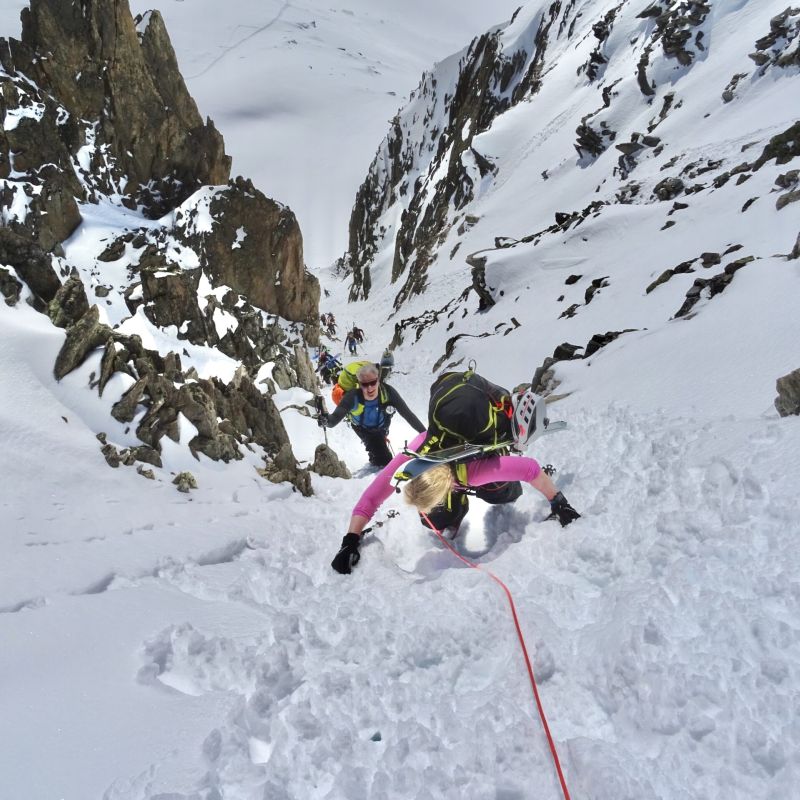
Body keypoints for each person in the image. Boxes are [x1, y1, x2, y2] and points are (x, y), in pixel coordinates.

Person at [330, 384, 580, 574]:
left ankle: (511, 404)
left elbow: (530, 469)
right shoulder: (418, 451)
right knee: (434, 521)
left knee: (504, 492)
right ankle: (455, 512)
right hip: (454, 467)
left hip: (479, 459)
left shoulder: (478, 472)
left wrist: (558, 501)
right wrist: (350, 539)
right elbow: (372, 496)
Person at [318, 362, 425, 467]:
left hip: (382, 427)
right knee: (385, 461)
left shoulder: (388, 392)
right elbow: (334, 419)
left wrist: (426, 434)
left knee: (379, 447)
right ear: (359, 384)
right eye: (365, 384)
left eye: (373, 383)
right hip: (363, 429)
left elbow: (408, 415)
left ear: (378, 381)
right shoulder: (352, 397)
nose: (369, 388)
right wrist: (326, 420)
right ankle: (375, 458)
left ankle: (377, 450)